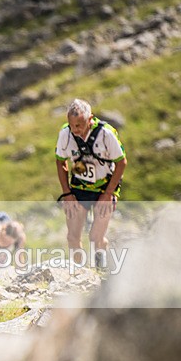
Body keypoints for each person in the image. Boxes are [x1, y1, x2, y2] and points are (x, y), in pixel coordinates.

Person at [55, 98, 127, 267]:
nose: (75, 130)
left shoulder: (106, 134)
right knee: (72, 236)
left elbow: (121, 163)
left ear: (90, 119)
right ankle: (79, 274)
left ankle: (101, 269)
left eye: (79, 125)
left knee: (95, 237)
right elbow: (60, 162)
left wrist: (108, 194)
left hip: (105, 188)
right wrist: (67, 193)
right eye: (71, 125)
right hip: (79, 187)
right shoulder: (65, 134)